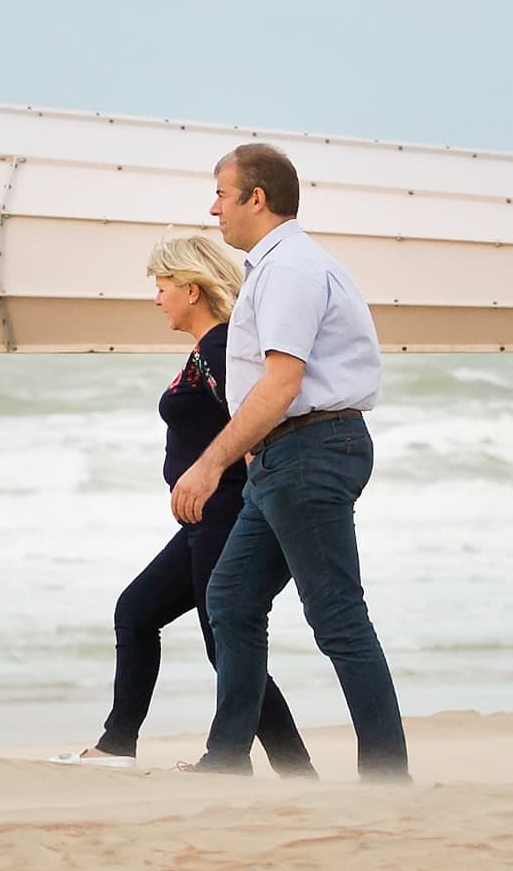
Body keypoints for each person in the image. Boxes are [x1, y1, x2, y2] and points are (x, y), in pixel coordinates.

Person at [173, 142, 411, 781]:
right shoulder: (276, 268)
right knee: (230, 597)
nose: (213, 208)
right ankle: (227, 760)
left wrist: (209, 464)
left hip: (309, 449)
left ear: (258, 198)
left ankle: (389, 778)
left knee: (336, 616)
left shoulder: (291, 269)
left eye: (222, 194)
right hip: (287, 458)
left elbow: (282, 383)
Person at [62, 236, 313, 772]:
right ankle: (116, 745)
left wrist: (251, 495)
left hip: (227, 517)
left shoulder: (222, 347)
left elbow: (256, 420)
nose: (156, 298)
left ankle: (289, 770)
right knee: (137, 611)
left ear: (192, 290)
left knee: (225, 646)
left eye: (162, 286)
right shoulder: (208, 349)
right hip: (207, 520)